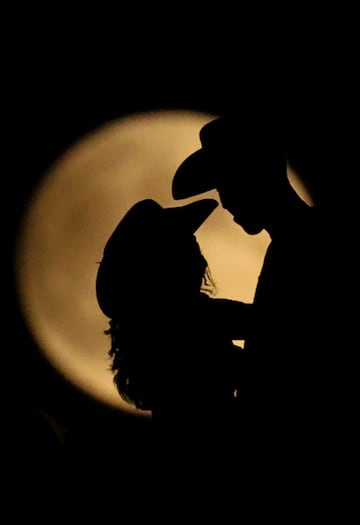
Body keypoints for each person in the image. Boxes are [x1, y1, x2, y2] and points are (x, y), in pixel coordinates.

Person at [171, 114, 355, 507]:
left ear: (261, 173)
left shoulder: (315, 243)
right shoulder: (296, 244)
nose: (224, 200)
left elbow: (308, 354)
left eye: (229, 182)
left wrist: (229, 336)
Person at [95, 197, 253, 430]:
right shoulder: (192, 317)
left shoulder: (154, 329)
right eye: (188, 244)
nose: (198, 255)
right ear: (170, 263)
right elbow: (270, 321)